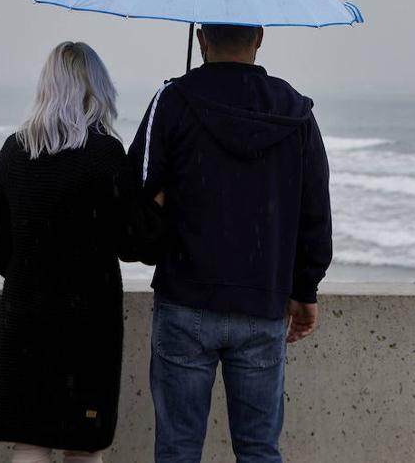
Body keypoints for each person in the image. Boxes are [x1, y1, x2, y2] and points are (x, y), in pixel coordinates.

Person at [128, 23, 332, 463]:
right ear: (259, 37)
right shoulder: (295, 112)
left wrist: (155, 224)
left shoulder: (174, 100)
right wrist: (305, 289)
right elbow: (315, 210)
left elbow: (133, 199)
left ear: (201, 38)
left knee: (178, 450)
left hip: (185, 300)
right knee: (259, 450)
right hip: (263, 306)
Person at [0, 42, 126, 463]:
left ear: (46, 88)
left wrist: (30, 272)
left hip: (26, 315)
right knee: (83, 443)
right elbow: (132, 242)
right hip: (90, 322)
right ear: (98, 89)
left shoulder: (15, 150)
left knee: (29, 439)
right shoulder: (106, 155)